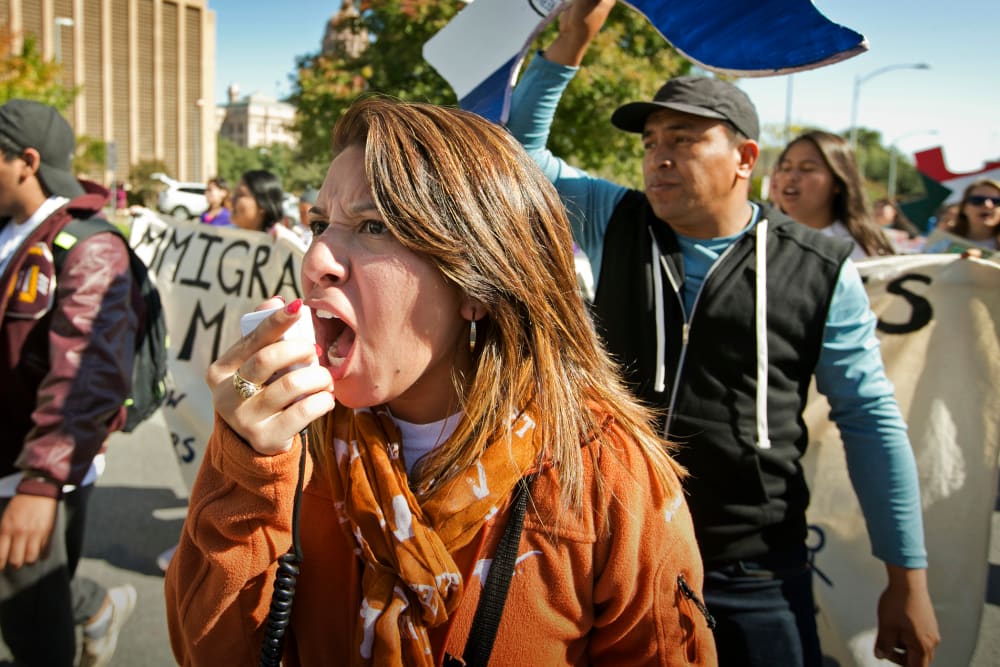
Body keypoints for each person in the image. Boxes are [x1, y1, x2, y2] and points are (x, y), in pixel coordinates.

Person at [164, 97, 716, 665]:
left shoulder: (607, 477)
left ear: (478, 285)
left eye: (374, 225)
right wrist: (243, 458)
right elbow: (205, 650)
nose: (317, 258)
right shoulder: (285, 438)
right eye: (320, 224)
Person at [506, 1, 939, 665]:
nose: (659, 158)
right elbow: (519, 159)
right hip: (614, 548)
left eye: (683, 140)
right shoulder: (614, 216)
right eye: (651, 143)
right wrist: (571, 43)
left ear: (743, 157)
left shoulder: (819, 268)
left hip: (757, 569)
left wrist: (907, 578)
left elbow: (870, 420)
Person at [0, 99, 138, 666]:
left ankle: (92, 611)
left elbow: (88, 376)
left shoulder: (91, 246)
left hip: (32, 469)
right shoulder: (10, 230)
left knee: (31, 622)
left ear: (25, 162)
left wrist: (39, 483)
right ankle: (93, 606)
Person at [773, 130, 894, 259]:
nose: (791, 177)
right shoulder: (763, 238)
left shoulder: (856, 252)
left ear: (837, 182)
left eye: (807, 168)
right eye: (785, 168)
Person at [926, 179, 1000, 251]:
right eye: (978, 200)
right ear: (964, 207)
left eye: (996, 201)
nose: (987, 205)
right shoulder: (942, 243)